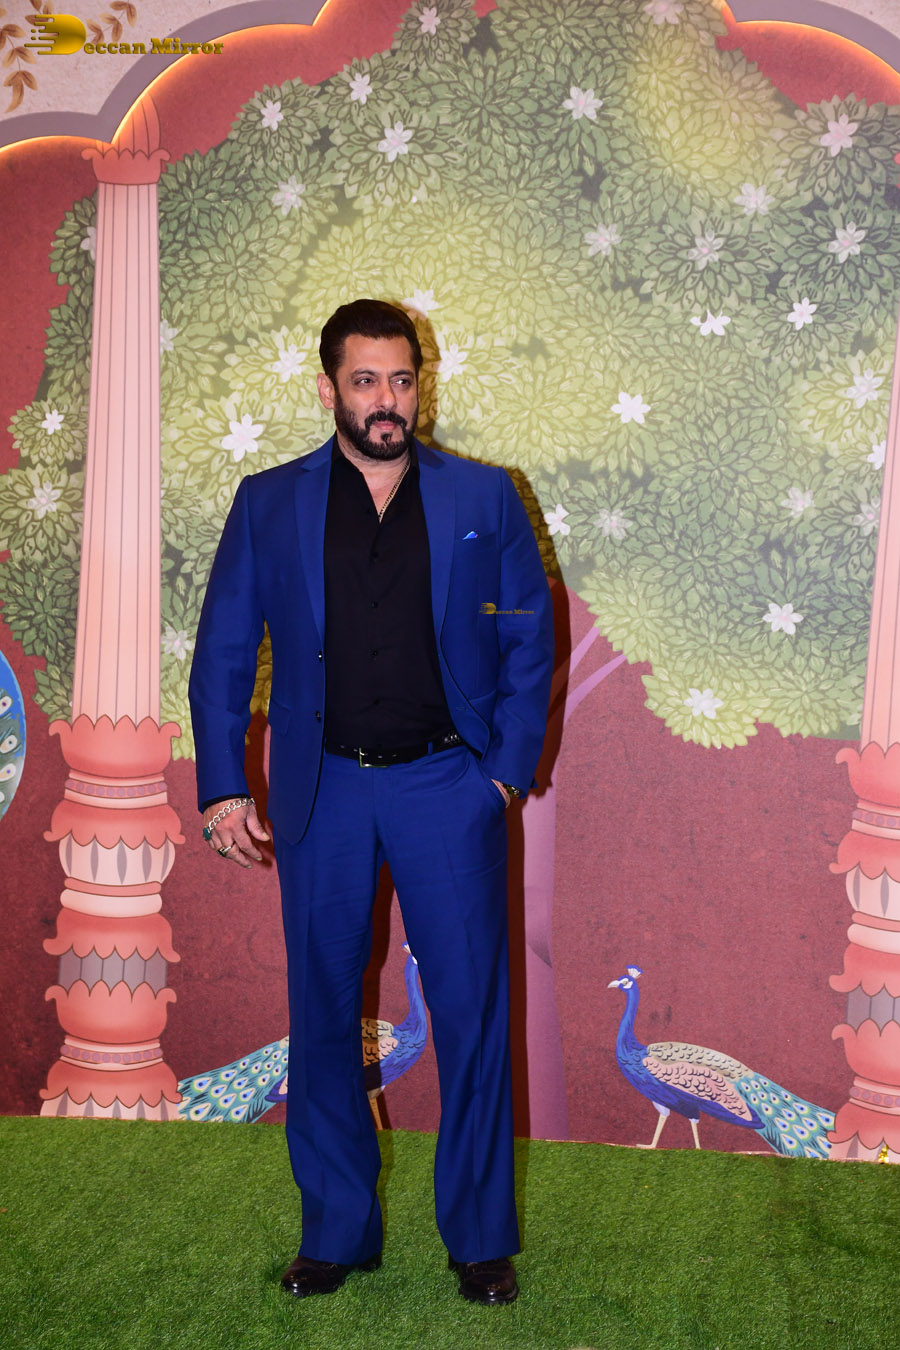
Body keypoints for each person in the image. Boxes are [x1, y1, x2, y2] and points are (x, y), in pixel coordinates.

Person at [189, 298, 554, 1305]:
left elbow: (529, 637)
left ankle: (479, 1238)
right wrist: (222, 783)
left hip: (448, 786)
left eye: (401, 379)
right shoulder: (268, 503)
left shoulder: (485, 495)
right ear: (329, 390)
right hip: (327, 791)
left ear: (417, 385)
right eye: (365, 381)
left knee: (473, 1015)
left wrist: (500, 776)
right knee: (321, 1017)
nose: (386, 399)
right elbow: (223, 651)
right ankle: (336, 1232)